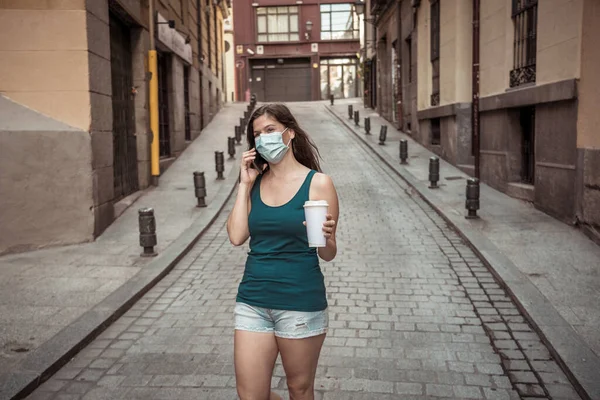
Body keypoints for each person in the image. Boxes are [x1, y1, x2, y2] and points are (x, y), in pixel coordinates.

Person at [226, 103, 339, 400]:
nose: (264, 138)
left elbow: (328, 253)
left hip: (299, 301)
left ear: (289, 134)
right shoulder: (254, 183)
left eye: (270, 130)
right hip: (253, 300)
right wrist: (244, 184)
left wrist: (326, 238)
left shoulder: (319, 183)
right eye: (257, 134)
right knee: (251, 395)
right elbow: (237, 236)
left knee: (299, 390)